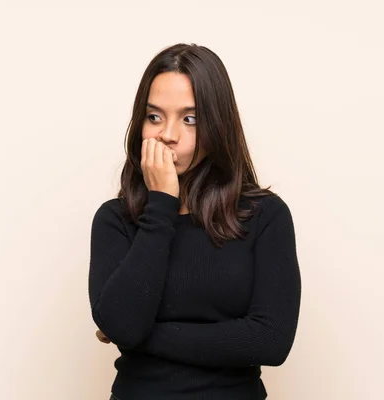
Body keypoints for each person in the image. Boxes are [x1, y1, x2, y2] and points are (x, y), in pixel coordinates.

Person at [88, 43, 302, 400]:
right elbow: (122, 324)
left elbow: (271, 341)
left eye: (190, 119)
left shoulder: (265, 217)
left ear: (217, 125)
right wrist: (161, 204)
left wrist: (140, 334)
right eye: (154, 116)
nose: (167, 134)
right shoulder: (115, 220)